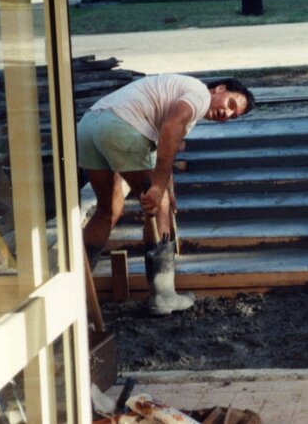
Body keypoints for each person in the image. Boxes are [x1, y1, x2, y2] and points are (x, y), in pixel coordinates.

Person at [77, 74, 254, 315]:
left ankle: (76, 292)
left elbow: (164, 144)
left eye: (233, 116)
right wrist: (159, 188)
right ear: (219, 89)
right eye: (230, 104)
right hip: (121, 126)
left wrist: (167, 185)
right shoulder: (200, 95)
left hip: (90, 126)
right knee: (158, 204)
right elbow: (170, 129)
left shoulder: (180, 90)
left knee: (108, 209)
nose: (227, 114)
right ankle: (163, 296)